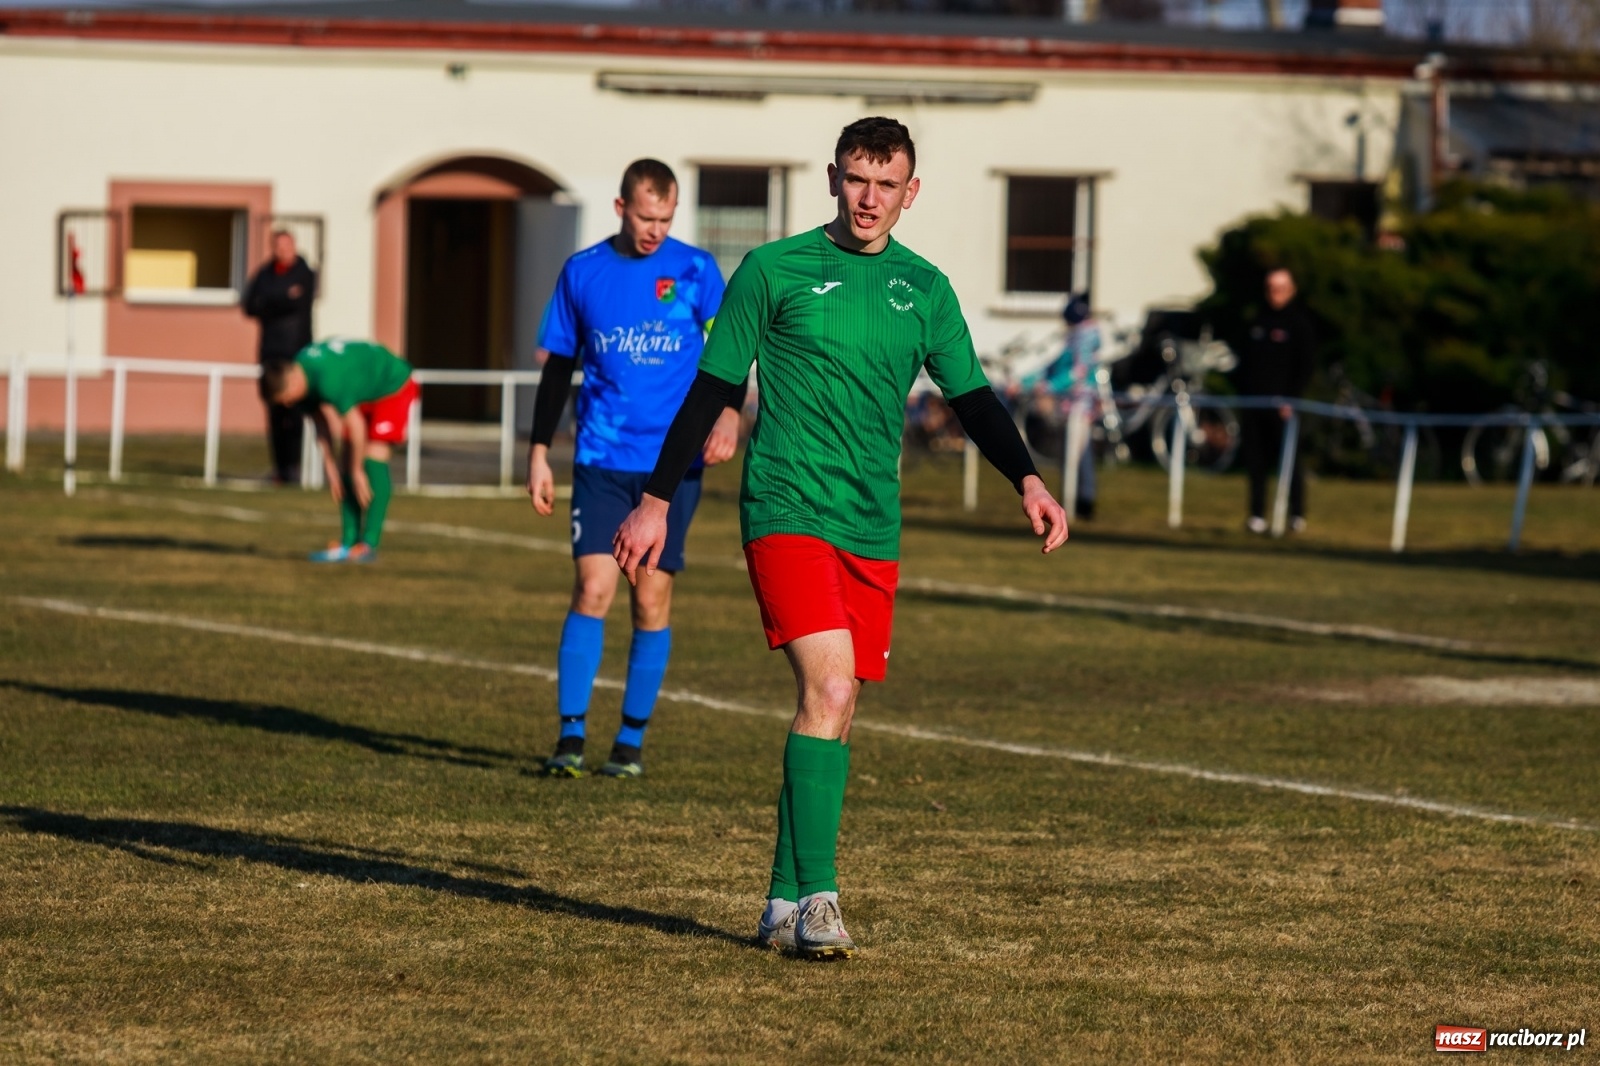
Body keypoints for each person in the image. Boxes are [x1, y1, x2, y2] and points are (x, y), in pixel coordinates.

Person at [612, 117, 1069, 960]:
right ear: (833, 179)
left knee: (839, 705)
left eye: (886, 184)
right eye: (857, 180)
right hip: (786, 506)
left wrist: (1030, 479)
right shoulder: (773, 270)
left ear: (910, 192)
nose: (870, 198)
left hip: (872, 520)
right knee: (826, 691)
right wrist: (656, 499)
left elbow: (972, 400)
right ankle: (822, 900)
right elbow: (710, 386)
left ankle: (781, 900)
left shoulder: (923, 289)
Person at [526, 158, 741, 781]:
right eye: (646, 217)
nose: (656, 230)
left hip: (672, 468)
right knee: (593, 588)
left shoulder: (697, 271)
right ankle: (570, 739)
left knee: (650, 598)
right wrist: (539, 451)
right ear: (621, 208)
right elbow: (556, 366)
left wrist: (729, 412)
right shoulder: (584, 272)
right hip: (599, 458)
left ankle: (629, 744)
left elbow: (731, 353)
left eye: (666, 219)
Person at [262, 338, 416, 563]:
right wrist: (331, 468)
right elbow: (320, 422)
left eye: (286, 399)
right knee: (347, 462)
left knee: (372, 457)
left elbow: (355, 426)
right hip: (363, 391)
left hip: (391, 383)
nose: (287, 405)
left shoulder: (328, 379)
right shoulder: (302, 378)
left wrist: (356, 472)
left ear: (293, 382)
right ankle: (348, 543)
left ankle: (368, 545)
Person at [1235, 267, 1316, 534]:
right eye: (1271, 288)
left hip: (1283, 407)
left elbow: (1304, 367)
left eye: (1281, 288)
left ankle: (1296, 514)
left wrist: (1291, 399)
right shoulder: (1257, 321)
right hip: (1254, 405)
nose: (1275, 294)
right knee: (1256, 463)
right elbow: (1244, 362)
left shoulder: (1298, 324)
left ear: (1291, 290)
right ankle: (1257, 515)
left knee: (1290, 461)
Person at [1016, 294, 1101, 519]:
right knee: (1076, 457)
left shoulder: (1084, 337)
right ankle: (1078, 502)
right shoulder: (1077, 337)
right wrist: (1026, 381)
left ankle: (1077, 504)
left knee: (1075, 456)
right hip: (1070, 404)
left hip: (1079, 405)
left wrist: (1048, 386)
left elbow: (1077, 371)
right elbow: (1053, 366)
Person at [244, 231, 317, 485]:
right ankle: (280, 469)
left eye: (287, 245)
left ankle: (295, 468)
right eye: (278, 245)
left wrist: (271, 301)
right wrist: (283, 297)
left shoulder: (305, 273)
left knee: (295, 413)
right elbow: (250, 305)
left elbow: (296, 302)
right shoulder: (264, 274)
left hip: (296, 354)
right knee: (274, 412)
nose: (283, 249)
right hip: (270, 353)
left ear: (294, 246)